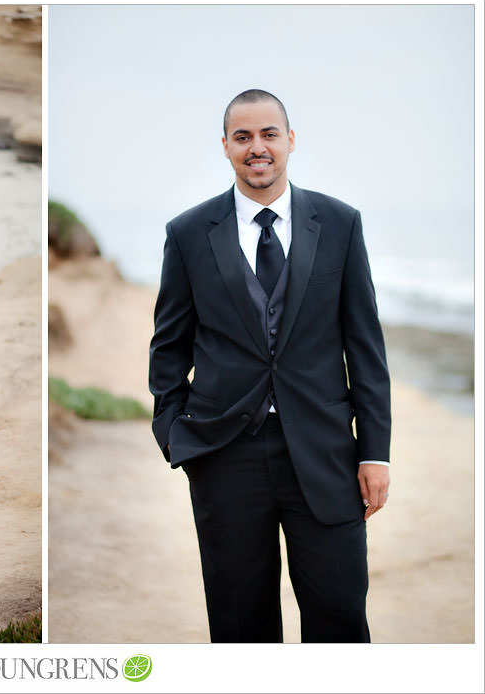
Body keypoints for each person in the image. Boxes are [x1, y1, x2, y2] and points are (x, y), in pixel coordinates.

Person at [148, 89, 391, 642]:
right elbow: (169, 348)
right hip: (223, 456)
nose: (257, 148)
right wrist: (175, 435)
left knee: (340, 617)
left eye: (268, 134)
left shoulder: (339, 223)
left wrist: (375, 451)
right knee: (240, 625)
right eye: (243, 137)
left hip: (326, 453)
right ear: (227, 147)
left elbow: (366, 349)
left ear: (290, 141)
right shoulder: (187, 234)